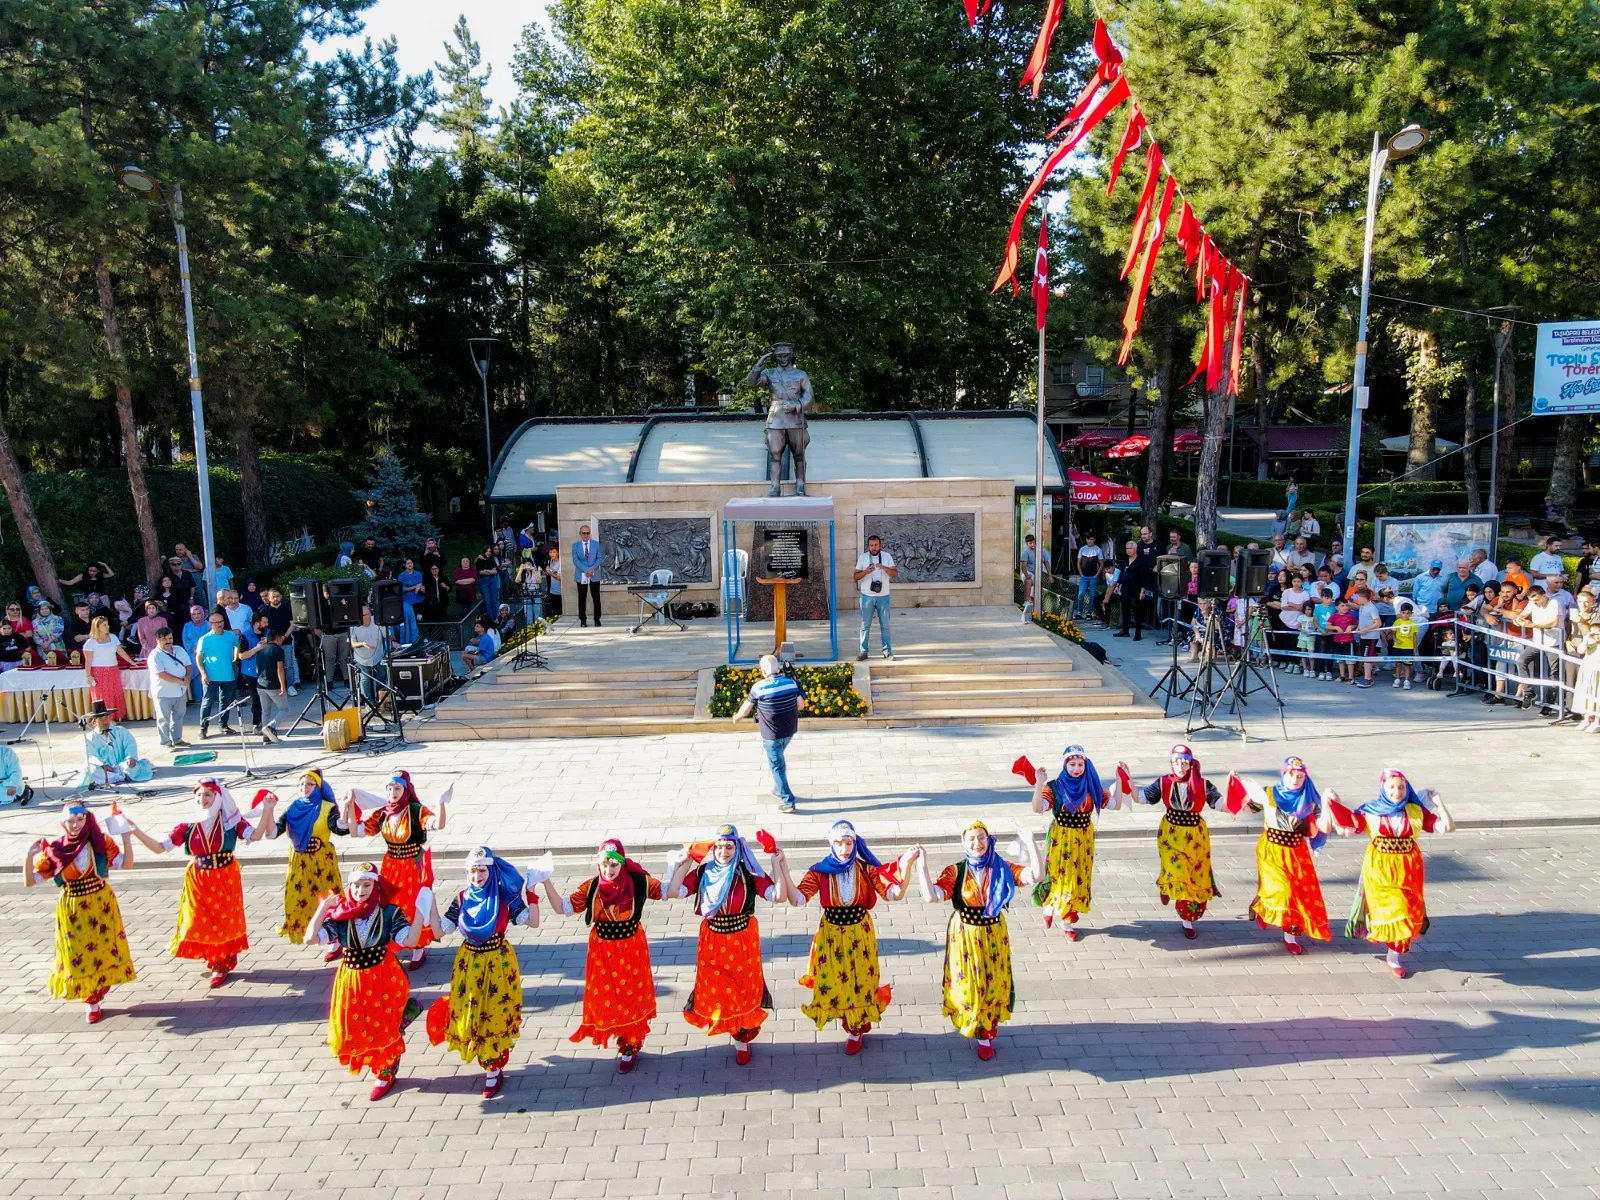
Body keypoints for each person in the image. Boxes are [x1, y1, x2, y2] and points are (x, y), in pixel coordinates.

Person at [771, 821, 915, 1054]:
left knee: (861, 982)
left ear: (855, 843)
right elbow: (797, 899)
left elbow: (893, 894)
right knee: (835, 981)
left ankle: (854, 1027)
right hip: (831, 935)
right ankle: (849, 1019)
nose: (844, 848)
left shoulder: (866, 869)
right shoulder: (819, 871)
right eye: (839, 843)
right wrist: (782, 868)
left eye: (848, 843)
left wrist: (907, 865)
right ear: (831, 844)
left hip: (860, 933)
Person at [127, 779, 276, 987]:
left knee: (223, 920)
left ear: (217, 797)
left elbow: (257, 835)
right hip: (198, 878)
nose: (202, 799)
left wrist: (267, 810)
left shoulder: (231, 821)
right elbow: (160, 848)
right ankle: (215, 957)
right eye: (198, 795)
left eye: (207, 794)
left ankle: (220, 962)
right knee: (199, 920)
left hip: (224, 875)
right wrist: (134, 831)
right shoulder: (187, 825)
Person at [915, 820, 1041, 1060]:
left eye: (981, 837)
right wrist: (923, 866)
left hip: (993, 933)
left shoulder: (1002, 867)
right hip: (965, 935)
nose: (977, 843)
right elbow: (932, 897)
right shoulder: (956, 871)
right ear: (963, 842)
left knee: (993, 983)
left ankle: (986, 1033)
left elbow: (1036, 875)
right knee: (969, 985)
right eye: (971, 838)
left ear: (989, 838)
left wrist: (1031, 844)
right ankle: (974, 1023)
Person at [665, 824, 786, 1064]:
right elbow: (673, 891)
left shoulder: (747, 873)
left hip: (742, 940)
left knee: (742, 990)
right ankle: (733, 1030)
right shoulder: (703, 873)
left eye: (729, 847)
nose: (723, 851)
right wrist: (690, 857)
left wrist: (776, 864)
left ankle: (741, 1037)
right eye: (719, 846)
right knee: (719, 990)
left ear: (737, 847)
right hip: (713, 940)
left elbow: (778, 895)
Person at [304, 862, 425, 1101]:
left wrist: (421, 911)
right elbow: (310, 938)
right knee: (357, 1027)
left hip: (383, 977)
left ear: (376, 885)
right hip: (352, 980)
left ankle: (386, 1071)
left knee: (384, 1026)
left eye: (367, 885)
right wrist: (324, 908)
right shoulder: (340, 916)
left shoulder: (389, 912)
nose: (361, 890)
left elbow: (409, 939)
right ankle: (378, 1064)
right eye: (356, 885)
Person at [426, 847, 540, 1097]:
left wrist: (531, 893)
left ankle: (492, 1067)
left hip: (497, 963)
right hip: (468, 966)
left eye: (482, 870)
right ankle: (487, 1060)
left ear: (491, 870)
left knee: (494, 1013)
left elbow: (531, 922)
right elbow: (440, 931)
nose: (477, 875)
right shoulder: (462, 897)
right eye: (473, 870)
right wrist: (429, 904)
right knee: (471, 1013)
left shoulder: (504, 896)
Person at [543, 839, 665, 1073]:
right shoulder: (592, 887)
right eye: (605, 865)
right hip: (602, 953)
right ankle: (621, 1036)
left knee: (630, 997)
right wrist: (544, 881)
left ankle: (630, 1044)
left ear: (622, 865)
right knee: (608, 997)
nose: (609, 871)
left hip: (630, 948)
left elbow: (668, 891)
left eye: (614, 866)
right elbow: (562, 908)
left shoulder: (638, 882)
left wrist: (682, 864)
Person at [1328, 768, 1456, 978]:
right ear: (1383, 789)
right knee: (1393, 911)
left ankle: (1393, 956)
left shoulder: (1416, 811)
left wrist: (1439, 803)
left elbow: (1448, 827)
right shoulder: (1369, 810)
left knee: (1406, 913)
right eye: (1392, 787)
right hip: (1380, 869)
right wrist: (1334, 804)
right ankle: (1392, 953)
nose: (1397, 791)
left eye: (1401, 787)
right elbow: (1346, 827)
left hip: (1409, 870)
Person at [23, 802, 138, 1023]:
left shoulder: (100, 842)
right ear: (63, 823)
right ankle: (90, 1000)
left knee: (103, 948)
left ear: (87, 819)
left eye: (79, 820)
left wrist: (126, 837)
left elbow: (126, 864)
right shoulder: (55, 850)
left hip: (101, 903)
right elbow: (30, 882)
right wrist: (29, 858)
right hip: (73, 908)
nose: (75, 825)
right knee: (78, 953)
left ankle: (99, 986)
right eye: (70, 821)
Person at [1226, 757, 1332, 955]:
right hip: (1272, 849)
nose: (1295, 779)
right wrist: (1238, 785)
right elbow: (1249, 807)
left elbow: (1324, 827)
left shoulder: (1310, 799)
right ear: (1284, 774)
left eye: (1300, 776)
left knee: (1298, 896)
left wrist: (1327, 805)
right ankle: (1265, 907)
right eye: (1291, 774)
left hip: (1297, 852)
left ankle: (1289, 934)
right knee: (1282, 890)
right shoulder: (1269, 792)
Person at [345, 771, 449, 969]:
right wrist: (350, 805)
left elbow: (438, 825)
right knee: (389, 904)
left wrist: (441, 804)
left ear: (406, 789)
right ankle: (395, 941)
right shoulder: (383, 813)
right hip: (391, 865)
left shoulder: (416, 810)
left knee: (413, 903)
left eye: (397, 788)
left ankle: (418, 946)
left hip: (412, 864)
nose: (393, 792)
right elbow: (355, 832)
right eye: (390, 788)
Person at [1027, 745, 1122, 940]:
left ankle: (1060, 913)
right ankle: (1058, 913)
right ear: (1065, 764)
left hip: (1083, 839)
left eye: (1080, 764)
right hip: (1060, 837)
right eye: (1072, 764)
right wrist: (1039, 784)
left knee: (1077, 877)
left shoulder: (1092, 786)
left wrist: (1120, 780)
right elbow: (1038, 808)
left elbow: (1115, 805)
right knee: (1059, 876)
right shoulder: (1054, 787)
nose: (1076, 768)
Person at [1135, 745, 1223, 938]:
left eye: (1184, 762)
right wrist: (1125, 781)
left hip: (1196, 836)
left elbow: (1218, 803)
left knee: (1194, 878)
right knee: (1178, 870)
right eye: (1177, 762)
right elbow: (1143, 797)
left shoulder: (1203, 784)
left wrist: (1242, 800)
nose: (1180, 766)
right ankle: (1169, 885)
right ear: (1171, 763)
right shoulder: (1164, 782)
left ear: (1191, 764)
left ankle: (1187, 921)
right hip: (1171, 833)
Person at [268, 770, 349, 952]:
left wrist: (345, 808)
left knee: (329, 897)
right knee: (296, 901)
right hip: (299, 861)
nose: (305, 788)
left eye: (310, 784)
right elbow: (274, 833)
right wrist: (268, 811)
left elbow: (339, 829)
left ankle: (334, 938)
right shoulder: (293, 808)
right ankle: (311, 931)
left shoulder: (327, 807)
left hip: (322, 860)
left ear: (318, 787)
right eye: (302, 784)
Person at [731, 654, 805, 813]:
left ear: (763, 670)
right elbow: (801, 706)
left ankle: (788, 801)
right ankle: (779, 788)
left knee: (777, 766)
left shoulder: (759, 687)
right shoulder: (791, 683)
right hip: (790, 731)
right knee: (778, 758)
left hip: (772, 735)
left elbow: (745, 710)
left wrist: (736, 717)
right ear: (778, 668)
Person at [79, 699, 153, 787]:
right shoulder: (90, 737)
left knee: (131, 767)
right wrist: (103, 765)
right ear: (94, 722)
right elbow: (91, 755)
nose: (105, 722)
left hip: (121, 763)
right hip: (105, 768)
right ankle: (120, 777)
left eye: (106, 718)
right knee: (93, 771)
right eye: (101, 720)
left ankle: (119, 776)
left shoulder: (120, 730)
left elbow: (130, 744)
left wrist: (130, 758)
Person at [195, 610, 239, 738]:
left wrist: (235, 659)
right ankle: (203, 728)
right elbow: (199, 657)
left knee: (225, 702)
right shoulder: (205, 639)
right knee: (207, 702)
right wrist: (203, 673)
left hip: (228, 675)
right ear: (210, 624)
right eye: (216, 622)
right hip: (211, 676)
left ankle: (223, 725)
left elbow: (237, 645)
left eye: (221, 621)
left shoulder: (230, 636)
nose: (219, 624)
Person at [147, 626, 192, 749]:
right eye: (165, 639)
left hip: (180, 691)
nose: (168, 641)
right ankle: (165, 743)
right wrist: (179, 680)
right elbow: (161, 674)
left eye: (170, 638)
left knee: (179, 716)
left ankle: (177, 739)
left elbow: (188, 665)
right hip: (163, 692)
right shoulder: (155, 655)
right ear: (158, 640)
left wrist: (188, 677)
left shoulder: (179, 649)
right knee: (163, 719)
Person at [854, 533, 897, 659]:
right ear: (868, 546)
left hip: (883, 596)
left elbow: (894, 573)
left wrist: (884, 568)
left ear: (880, 545)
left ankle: (887, 651)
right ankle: (863, 651)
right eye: (871, 545)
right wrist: (866, 571)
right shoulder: (863, 558)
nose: (874, 548)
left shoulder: (887, 556)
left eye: (876, 545)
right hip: (867, 596)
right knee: (865, 625)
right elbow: (855, 577)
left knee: (885, 625)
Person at [81, 614, 134, 714]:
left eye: (107, 624)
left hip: (113, 669)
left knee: (115, 692)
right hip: (99, 672)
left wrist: (131, 662)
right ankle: (104, 716)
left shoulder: (113, 637)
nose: (107, 627)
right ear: (97, 628)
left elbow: (120, 651)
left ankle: (116, 714)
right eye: (104, 625)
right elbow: (88, 661)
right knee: (102, 694)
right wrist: (88, 675)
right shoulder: (90, 643)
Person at [253, 627, 290, 743]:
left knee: (265, 710)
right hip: (273, 685)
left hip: (260, 684)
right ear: (277, 639)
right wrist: (283, 687)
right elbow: (280, 669)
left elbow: (257, 669)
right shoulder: (278, 650)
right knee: (284, 709)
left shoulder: (260, 650)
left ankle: (266, 737)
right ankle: (270, 727)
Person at [349, 605, 388, 709]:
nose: (361, 618)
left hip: (378, 655)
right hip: (361, 658)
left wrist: (393, 642)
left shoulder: (378, 622)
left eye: (363, 615)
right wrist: (362, 643)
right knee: (365, 678)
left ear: (370, 614)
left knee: (382, 674)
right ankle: (369, 702)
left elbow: (387, 635)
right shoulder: (353, 625)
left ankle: (380, 698)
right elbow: (352, 644)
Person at [1113, 540, 1151, 640]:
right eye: (1127, 548)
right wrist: (1117, 586)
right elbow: (1121, 574)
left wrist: (1142, 591)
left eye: (1130, 548)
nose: (1128, 550)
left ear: (1135, 549)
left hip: (1136, 590)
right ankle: (1125, 630)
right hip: (1125, 589)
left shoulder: (1141, 561)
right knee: (1125, 610)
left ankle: (1138, 633)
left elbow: (1144, 577)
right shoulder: (1125, 560)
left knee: (1137, 611)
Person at [571, 525, 604, 627]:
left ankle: (597, 619)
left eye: (588, 533)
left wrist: (592, 568)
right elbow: (575, 560)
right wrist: (586, 569)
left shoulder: (596, 544)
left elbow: (600, 557)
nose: (586, 535)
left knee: (596, 597)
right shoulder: (575, 545)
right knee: (582, 597)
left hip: (594, 573)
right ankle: (583, 620)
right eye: (584, 533)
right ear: (580, 534)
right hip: (581, 574)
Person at [179, 604, 208, 702]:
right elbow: (185, 639)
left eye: (199, 613)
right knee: (195, 673)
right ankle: (197, 697)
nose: (196, 616)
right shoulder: (187, 626)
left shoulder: (208, 624)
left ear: (203, 614)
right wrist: (193, 648)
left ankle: (210, 696)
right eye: (194, 614)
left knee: (207, 672)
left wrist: (202, 649)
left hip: (206, 652)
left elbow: (210, 638)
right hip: (192, 653)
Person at [1389, 602, 1419, 689]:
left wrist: (1415, 648)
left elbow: (1414, 637)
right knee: (1398, 664)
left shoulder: (1413, 623)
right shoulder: (1397, 622)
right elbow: (1393, 633)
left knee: (1407, 665)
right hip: (1398, 647)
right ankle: (1397, 679)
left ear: (1411, 613)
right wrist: (1395, 640)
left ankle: (1406, 681)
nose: (1405, 615)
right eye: (1403, 612)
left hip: (1408, 647)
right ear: (1400, 612)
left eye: (1408, 613)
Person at [1074, 533, 1104, 619]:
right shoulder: (1082, 549)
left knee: (1092, 596)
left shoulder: (1097, 550)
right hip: (1084, 577)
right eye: (1088, 539)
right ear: (1086, 540)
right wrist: (1081, 574)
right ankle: (1079, 613)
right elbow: (1078, 563)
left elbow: (1101, 564)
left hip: (1093, 577)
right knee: (1081, 595)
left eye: (1091, 539)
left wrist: (1096, 575)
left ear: (1094, 540)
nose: (1089, 541)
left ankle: (1089, 613)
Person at [397, 557, 424, 644]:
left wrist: (418, 587)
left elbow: (420, 585)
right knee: (411, 621)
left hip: (418, 600)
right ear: (405, 565)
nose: (410, 564)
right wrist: (415, 587)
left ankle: (420, 638)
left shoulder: (418, 574)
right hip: (408, 601)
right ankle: (411, 640)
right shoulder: (402, 576)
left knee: (419, 619)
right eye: (408, 563)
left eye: (411, 563)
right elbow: (402, 589)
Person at [1020, 532, 1051, 604]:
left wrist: (1050, 576)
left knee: (1038, 582)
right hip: (1028, 572)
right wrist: (1027, 575)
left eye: (1034, 542)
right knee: (1029, 580)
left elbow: (1046, 563)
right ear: (1027, 544)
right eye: (1030, 543)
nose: (1032, 544)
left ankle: (1034, 602)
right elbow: (1023, 567)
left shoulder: (1042, 551)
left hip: (1038, 574)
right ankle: (1027, 601)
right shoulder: (1026, 552)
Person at [474, 545, 502, 623]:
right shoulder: (479, 559)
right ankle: (490, 620)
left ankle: (496, 618)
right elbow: (480, 572)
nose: (489, 553)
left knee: (494, 600)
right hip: (483, 581)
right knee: (487, 601)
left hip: (492, 580)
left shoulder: (492, 559)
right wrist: (489, 571)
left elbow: (495, 571)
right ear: (484, 552)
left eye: (490, 551)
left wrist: (486, 570)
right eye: (487, 551)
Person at [0, 739, 32, 806]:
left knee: (7, 792)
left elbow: (16, 772)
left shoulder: (7, 752)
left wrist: (13, 784)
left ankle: (24, 790)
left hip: (7, 784)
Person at [544, 545, 563, 619]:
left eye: (554, 552)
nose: (552, 554)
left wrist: (550, 572)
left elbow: (560, 578)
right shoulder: (549, 562)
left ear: (558, 553)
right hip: (552, 591)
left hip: (560, 592)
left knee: (561, 613)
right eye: (550, 552)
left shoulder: (560, 563)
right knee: (554, 614)